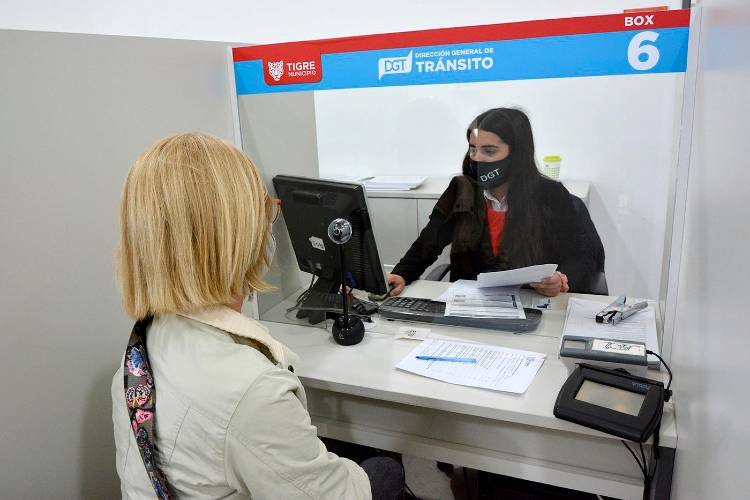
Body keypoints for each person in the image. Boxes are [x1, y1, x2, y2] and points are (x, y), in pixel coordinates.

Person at [111, 132, 405, 499]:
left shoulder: (141, 347)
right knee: (385, 468)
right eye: (265, 209)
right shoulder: (251, 390)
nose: (271, 220)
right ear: (237, 232)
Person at [387, 107, 598, 297]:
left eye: (489, 151)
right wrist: (402, 274)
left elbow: (582, 257)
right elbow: (427, 244)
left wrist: (560, 279)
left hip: (532, 302)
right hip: (469, 302)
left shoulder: (550, 194)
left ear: (517, 154)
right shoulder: (462, 190)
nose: (477, 158)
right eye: (472, 149)